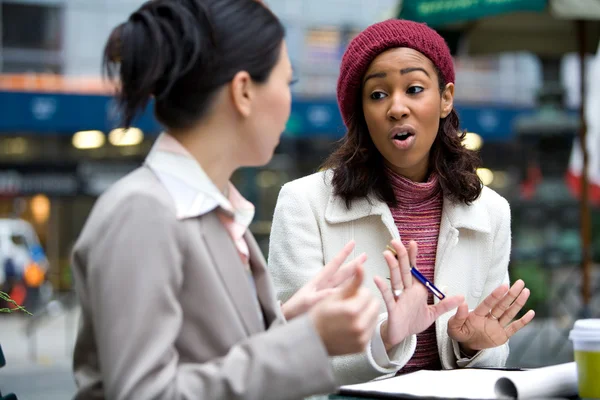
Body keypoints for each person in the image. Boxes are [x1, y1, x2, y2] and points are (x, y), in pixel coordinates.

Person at [70, 1, 384, 399]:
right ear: (243, 91)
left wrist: (287, 322)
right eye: (286, 82)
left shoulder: (214, 209)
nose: (289, 100)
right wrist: (310, 341)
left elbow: (209, 355)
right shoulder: (143, 212)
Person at [267, 19, 536, 385]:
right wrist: (385, 339)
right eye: (377, 94)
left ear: (445, 98)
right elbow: (287, 352)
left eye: (414, 88)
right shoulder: (303, 203)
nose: (396, 107)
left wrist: (474, 347)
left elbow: (491, 349)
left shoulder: (490, 211)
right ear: (361, 112)